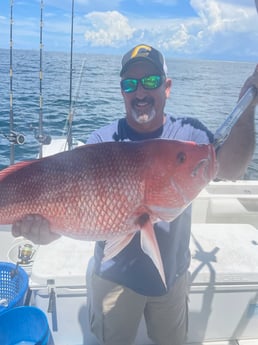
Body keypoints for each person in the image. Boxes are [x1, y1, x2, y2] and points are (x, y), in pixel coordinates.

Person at [12, 44, 258, 345]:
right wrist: (44, 233)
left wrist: (248, 106)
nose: (140, 91)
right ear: (122, 92)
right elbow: (70, 214)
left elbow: (231, 168)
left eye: (151, 81)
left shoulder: (189, 137)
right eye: (130, 84)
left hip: (172, 279)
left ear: (167, 87)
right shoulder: (102, 141)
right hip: (113, 282)